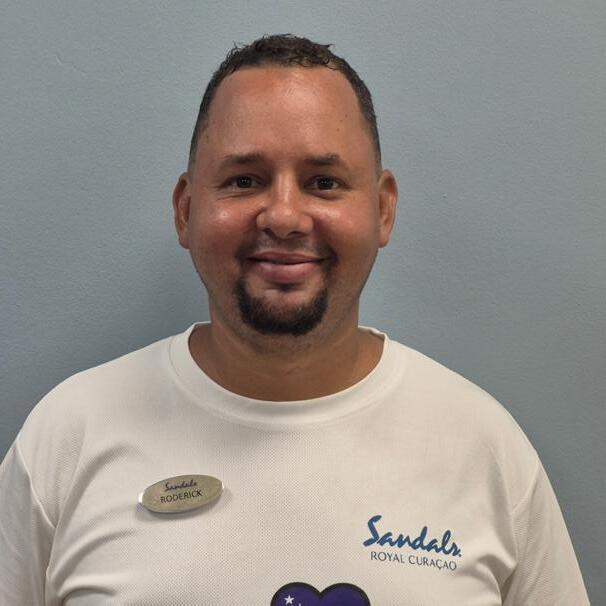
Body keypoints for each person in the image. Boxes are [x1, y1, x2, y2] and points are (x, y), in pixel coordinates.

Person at [0, 34, 589, 605]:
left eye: (324, 183)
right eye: (244, 181)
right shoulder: (68, 437)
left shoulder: (483, 446)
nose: (283, 216)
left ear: (383, 209)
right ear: (186, 209)